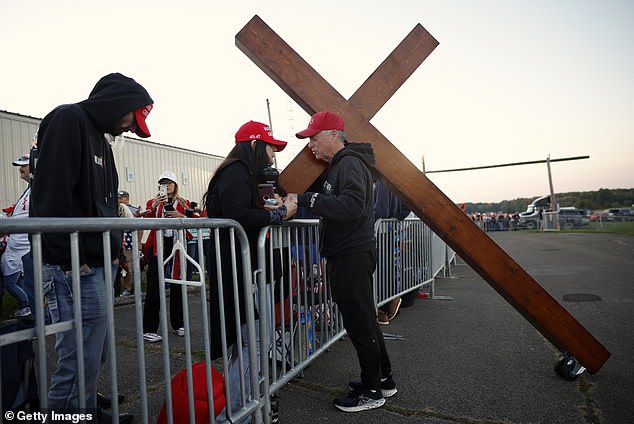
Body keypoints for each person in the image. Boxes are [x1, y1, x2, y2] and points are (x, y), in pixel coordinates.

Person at [30, 72, 152, 421]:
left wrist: (115, 253)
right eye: (132, 118)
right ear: (119, 104)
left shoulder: (100, 137)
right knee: (77, 357)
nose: (131, 127)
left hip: (94, 264)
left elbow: (105, 205)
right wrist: (73, 261)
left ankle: (83, 410)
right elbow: (51, 198)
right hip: (72, 266)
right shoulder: (69, 120)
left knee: (92, 353)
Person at [287, 111, 396, 413]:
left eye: (313, 137)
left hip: (351, 252)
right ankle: (382, 379)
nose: (310, 144)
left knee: (359, 322)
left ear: (334, 134)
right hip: (352, 251)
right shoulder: (345, 164)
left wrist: (307, 199)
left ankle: (372, 390)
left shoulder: (348, 163)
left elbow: (351, 205)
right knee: (365, 320)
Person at [202, 120, 297, 423]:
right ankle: (234, 415)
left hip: (247, 268)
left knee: (251, 342)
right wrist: (282, 213)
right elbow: (237, 215)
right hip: (239, 270)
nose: (273, 155)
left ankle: (240, 409)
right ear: (254, 145)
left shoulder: (248, 175)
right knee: (252, 342)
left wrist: (274, 207)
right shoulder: (236, 172)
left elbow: (248, 211)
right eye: (270, 147)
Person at [142, 171, 198, 343]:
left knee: (178, 283)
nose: (166, 187)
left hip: (178, 243)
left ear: (175, 185)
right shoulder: (152, 202)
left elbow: (197, 219)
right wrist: (153, 208)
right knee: (154, 284)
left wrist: (181, 216)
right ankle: (149, 328)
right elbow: (146, 219)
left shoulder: (183, 202)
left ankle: (178, 323)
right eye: (163, 184)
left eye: (169, 183)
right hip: (157, 244)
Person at [0, 154, 33, 318]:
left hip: (24, 247)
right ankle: (29, 309)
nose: (20, 169)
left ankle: (30, 309)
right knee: (19, 283)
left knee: (11, 283)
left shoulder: (38, 188)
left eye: (23, 166)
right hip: (18, 247)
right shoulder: (29, 190)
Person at [115, 191, 142, 297]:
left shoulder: (135, 210)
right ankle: (127, 288)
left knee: (131, 267)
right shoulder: (116, 208)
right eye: (118, 198)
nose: (119, 200)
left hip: (131, 242)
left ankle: (134, 288)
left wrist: (139, 242)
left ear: (127, 198)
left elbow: (140, 228)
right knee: (123, 268)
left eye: (121, 198)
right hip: (119, 241)